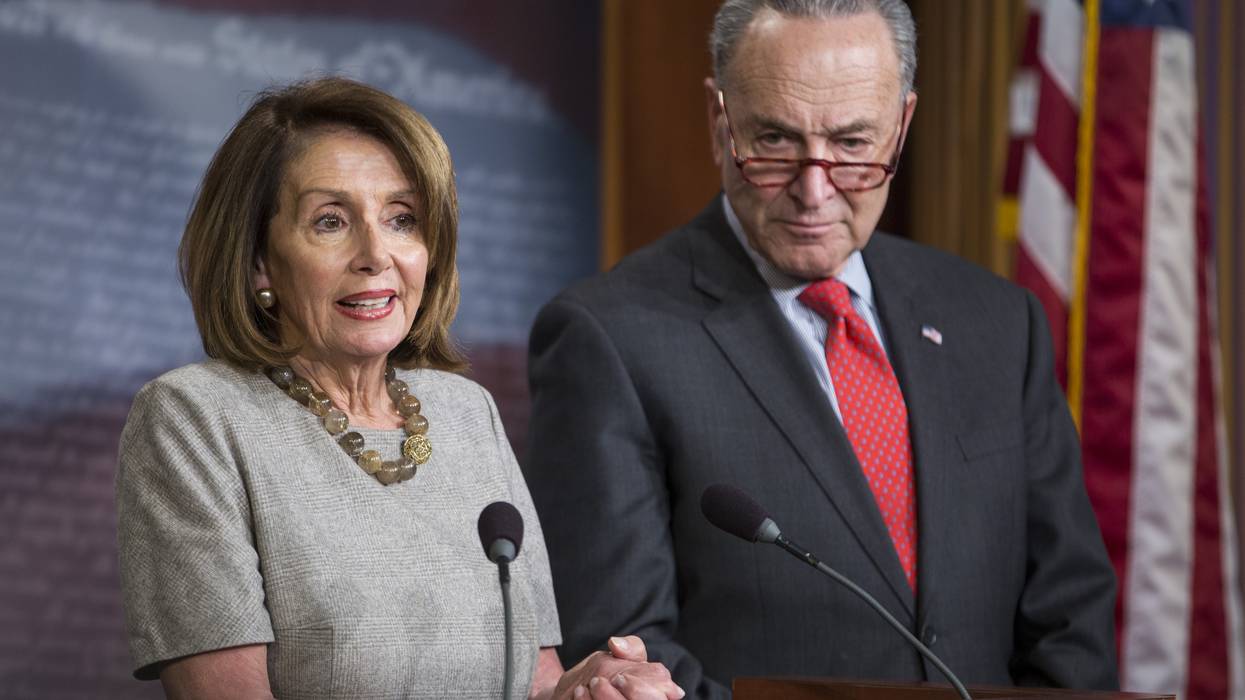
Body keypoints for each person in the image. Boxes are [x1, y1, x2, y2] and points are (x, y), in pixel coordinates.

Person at [523, 0, 1119, 696]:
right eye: (774, 143)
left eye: (852, 145)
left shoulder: (996, 320)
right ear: (720, 123)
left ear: (902, 124)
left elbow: (1069, 617)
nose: (813, 191)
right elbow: (627, 653)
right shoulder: (608, 337)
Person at [116, 77, 684, 700]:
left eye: (402, 219)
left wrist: (590, 686)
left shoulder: (466, 412)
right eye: (330, 221)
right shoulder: (194, 419)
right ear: (258, 261)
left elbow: (533, 681)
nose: (375, 254)